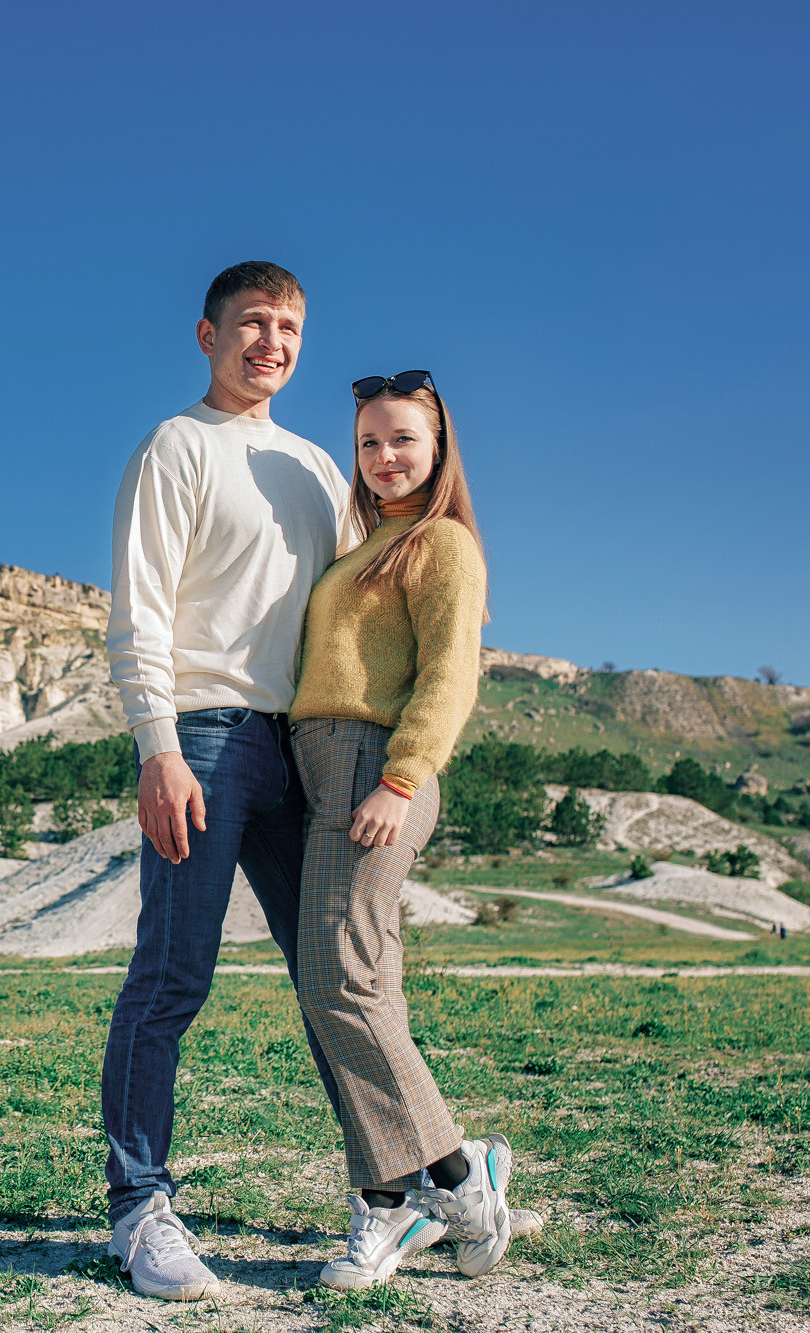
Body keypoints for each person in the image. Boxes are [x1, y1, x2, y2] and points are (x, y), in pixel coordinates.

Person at [101, 261, 349, 1300]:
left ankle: (391, 1186)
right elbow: (139, 610)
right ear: (206, 335)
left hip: (302, 746)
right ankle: (138, 1209)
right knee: (172, 977)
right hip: (200, 735)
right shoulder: (176, 446)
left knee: (340, 983)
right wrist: (156, 745)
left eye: (287, 326)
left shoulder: (321, 468)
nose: (271, 343)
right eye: (252, 323)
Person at [286, 369, 517, 1290]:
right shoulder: (360, 549)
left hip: (373, 766)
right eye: (370, 443)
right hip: (324, 765)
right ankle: (386, 1200)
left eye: (402, 441)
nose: (385, 457)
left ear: (438, 449)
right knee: (366, 985)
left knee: (336, 979)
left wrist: (401, 776)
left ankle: (458, 1178)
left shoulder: (443, 544)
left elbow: (451, 672)